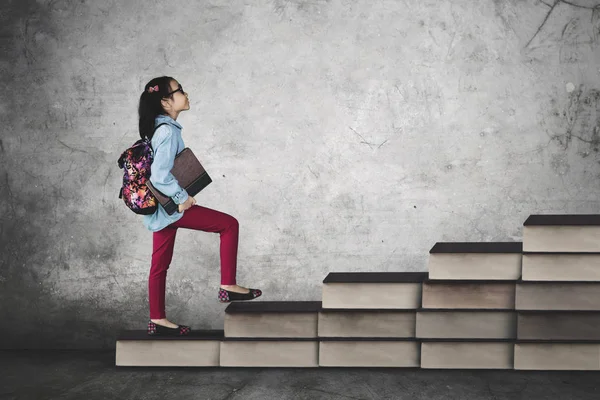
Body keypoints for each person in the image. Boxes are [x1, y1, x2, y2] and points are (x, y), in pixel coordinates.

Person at [138, 76, 262, 336]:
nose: (186, 93)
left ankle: (157, 320)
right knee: (229, 225)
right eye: (179, 90)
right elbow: (159, 176)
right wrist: (182, 197)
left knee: (159, 266)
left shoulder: (159, 129)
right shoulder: (168, 131)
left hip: (161, 212)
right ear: (165, 101)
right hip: (172, 208)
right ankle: (228, 285)